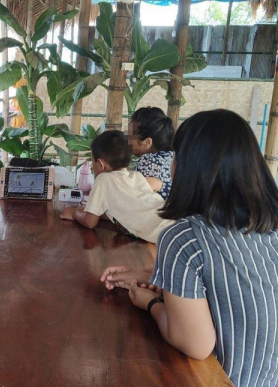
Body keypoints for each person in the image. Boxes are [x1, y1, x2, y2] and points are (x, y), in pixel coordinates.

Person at [101, 109, 278, 387]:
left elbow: (196, 344)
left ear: (190, 166)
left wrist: (150, 302)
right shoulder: (270, 227)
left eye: (176, 156)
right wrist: (154, 274)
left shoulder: (185, 237)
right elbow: (232, 281)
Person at [60, 130, 174, 243]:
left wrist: (74, 213)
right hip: (170, 219)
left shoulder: (103, 180)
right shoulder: (136, 176)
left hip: (163, 233)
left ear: (100, 164)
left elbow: (90, 222)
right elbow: (122, 209)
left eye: (92, 162)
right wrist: (90, 211)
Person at [128, 107, 174, 200]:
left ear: (147, 142)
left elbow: (135, 199)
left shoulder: (149, 160)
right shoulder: (173, 156)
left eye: (129, 135)